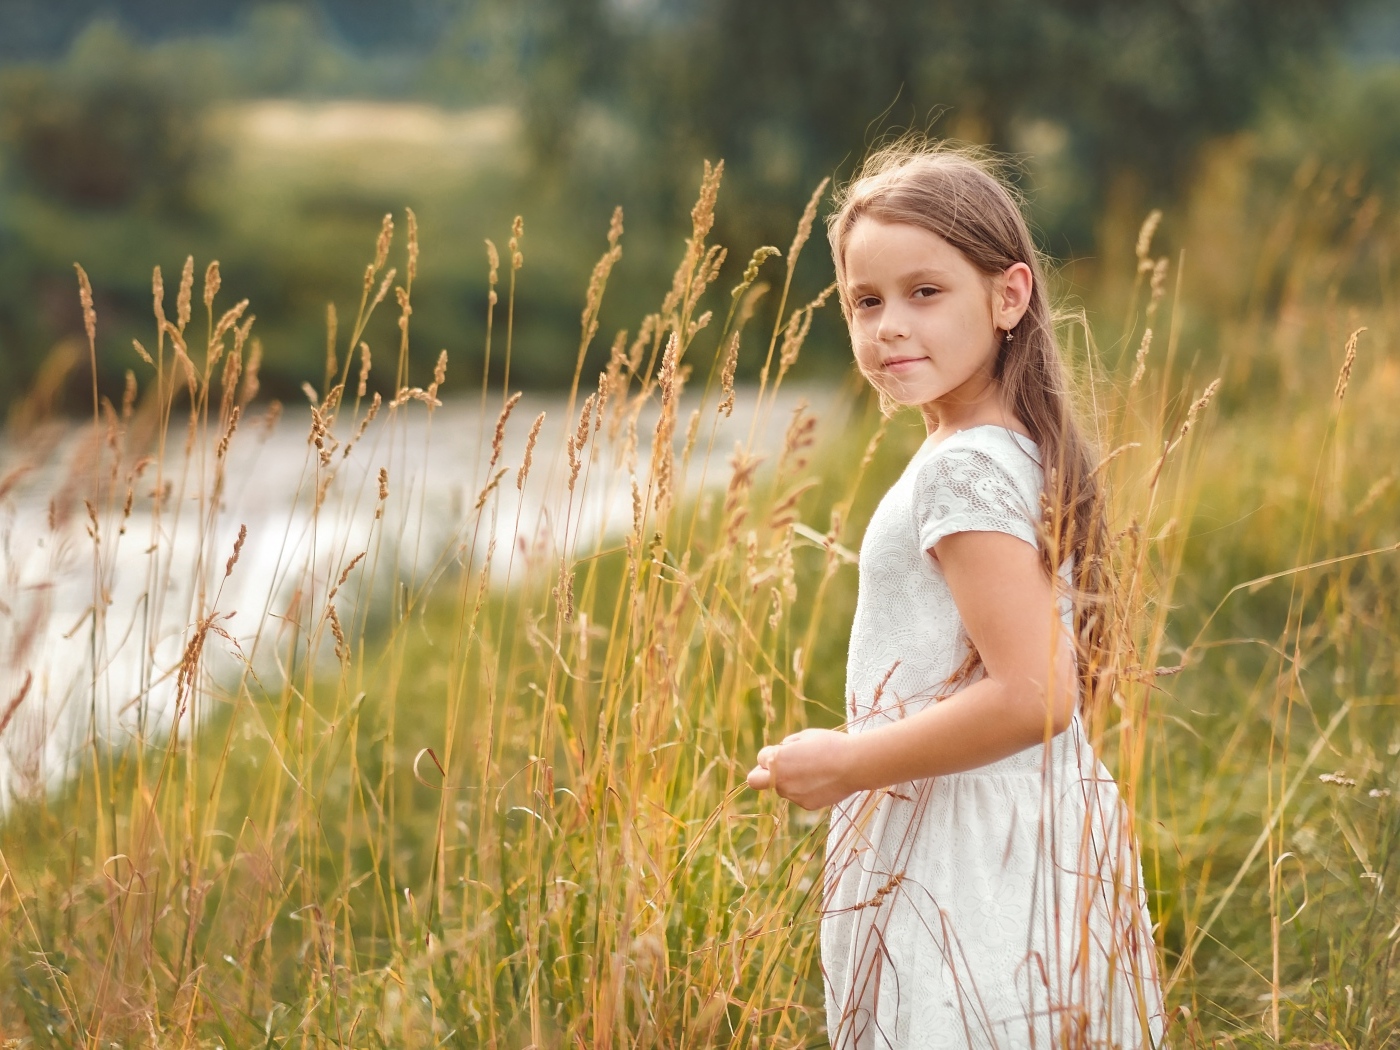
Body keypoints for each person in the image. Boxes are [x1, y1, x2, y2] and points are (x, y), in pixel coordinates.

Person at [747, 139, 1166, 1049]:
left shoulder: (965, 470)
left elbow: (1036, 693)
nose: (889, 325)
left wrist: (846, 764)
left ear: (1008, 296)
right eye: (866, 301)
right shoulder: (995, 443)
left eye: (924, 293)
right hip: (1016, 825)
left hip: (970, 849)